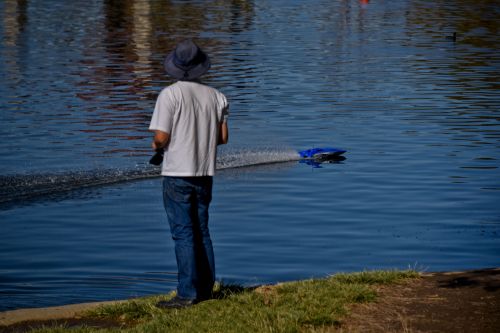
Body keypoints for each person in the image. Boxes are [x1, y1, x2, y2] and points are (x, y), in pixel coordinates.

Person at [148, 39, 229, 309]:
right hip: (205, 173)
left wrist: (157, 145)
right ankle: (205, 290)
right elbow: (222, 138)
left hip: (177, 174)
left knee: (183, 233)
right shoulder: (217, 96)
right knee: (202, 230)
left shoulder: (169, 95)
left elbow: (162, 137)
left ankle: (186, 294)